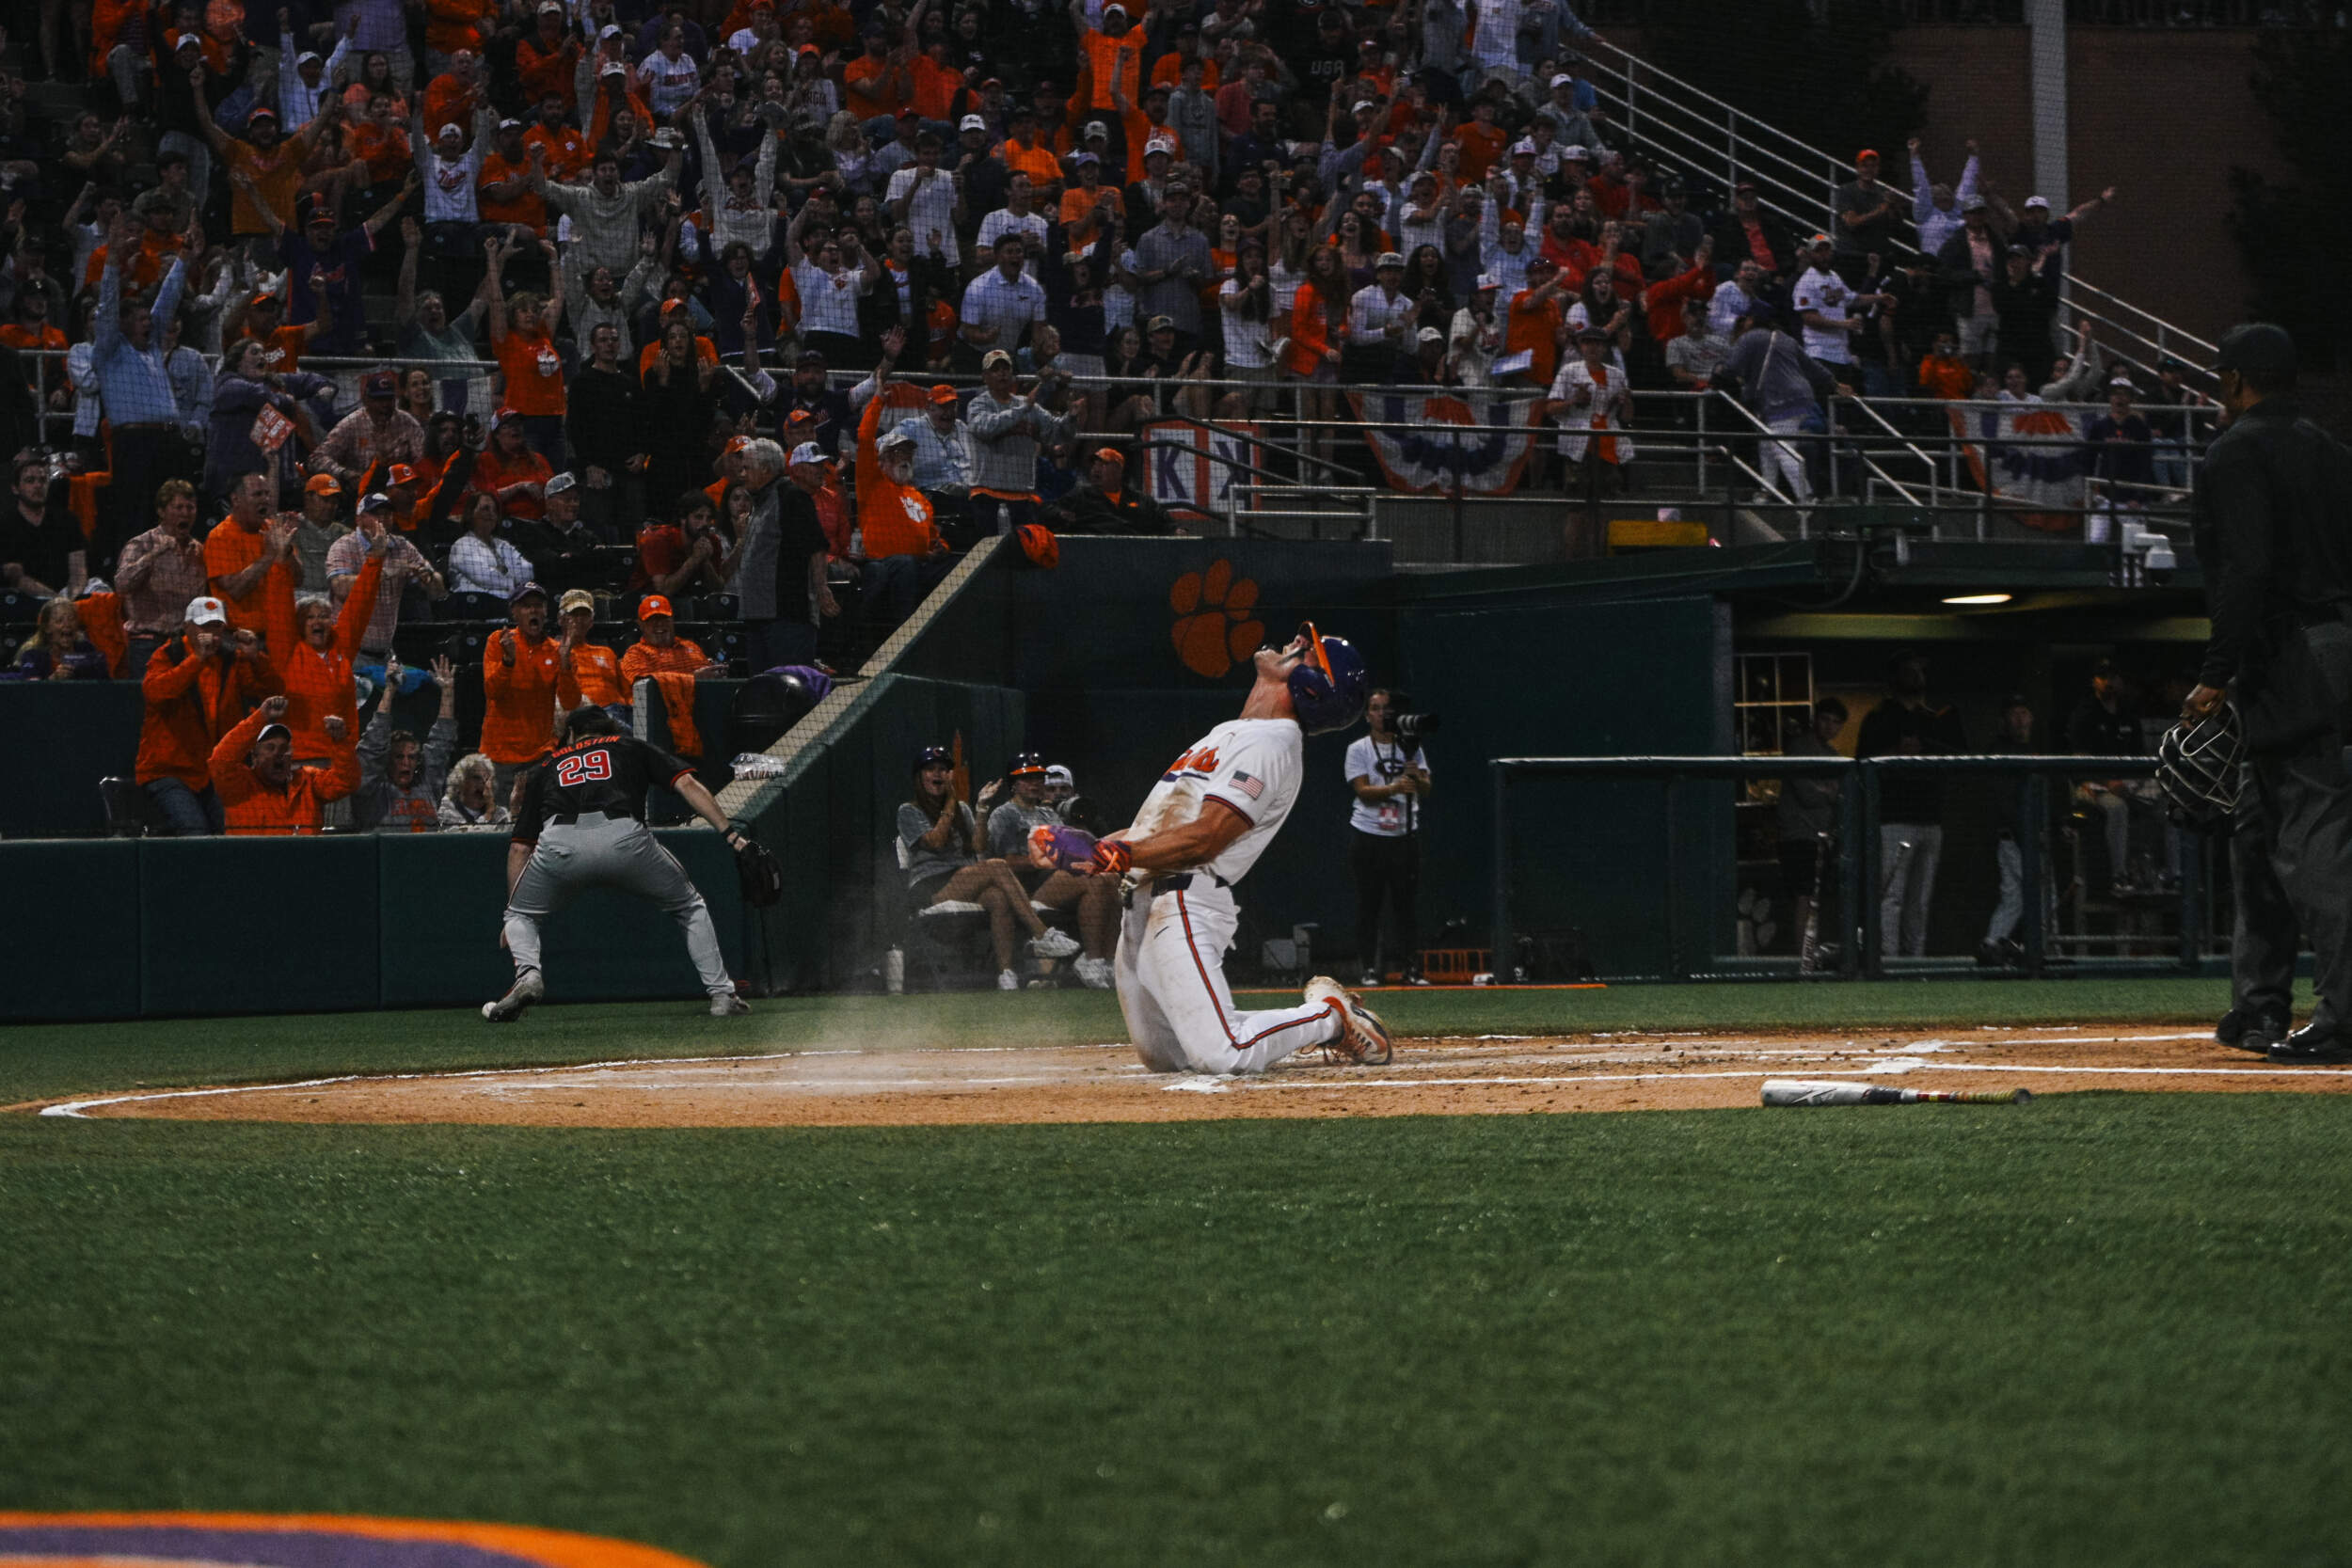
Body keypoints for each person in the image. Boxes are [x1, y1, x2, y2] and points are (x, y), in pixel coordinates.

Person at [1028, 626, 1392, 1074]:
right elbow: (1157, 828)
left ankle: (1330, 1018)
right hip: (1143, 901)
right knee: (1168, 1057)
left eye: (1307, 653)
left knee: (1222, 1053)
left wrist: (1115, 855)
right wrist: (1089, 848)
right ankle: (1291, 1021)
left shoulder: (1271, 743)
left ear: (1313, 687)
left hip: (1184, 900)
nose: (1295, 643)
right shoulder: (1234, 732)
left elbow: (1206, 837)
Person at [2181, 323, 2352, 1064]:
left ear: (2234, 379)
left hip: (2291, 653)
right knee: (2257, 826)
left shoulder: (2235, 450)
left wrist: (2215, 671)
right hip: (2330, 644)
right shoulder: (2332, 450)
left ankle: (2346, 1017)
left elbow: (2246, 569)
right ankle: (2258, 1006)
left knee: (2316, 837)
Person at [484, 705, 755, 1022]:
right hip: (623, 836)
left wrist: (514, 913)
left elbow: (519, 847)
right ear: (609, 728)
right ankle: (721, 995)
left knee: (520, 916)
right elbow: (687, 785)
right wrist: (732, 835)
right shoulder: (629, 745)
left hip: (559, 841)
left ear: (571, 734)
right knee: (689, 905)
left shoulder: (547, 766)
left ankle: (528, 974)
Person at [899, 745, 1085, 990]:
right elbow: (936, 841)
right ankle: (1042, 934)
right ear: (919, 776)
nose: (938, 774)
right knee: (997, 866)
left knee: (998, 897)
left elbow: (978, 846)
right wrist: (951, 802)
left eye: (943, 769)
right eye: (931, 769)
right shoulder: (909, 811)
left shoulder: (962, 809)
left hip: (964, 879)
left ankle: (1006, 974)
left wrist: (981, 808)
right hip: (931, 885)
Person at [1855, 649, 1966, 960]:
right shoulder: (1880, 718)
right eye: (1910, 670)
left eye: (1921, 671)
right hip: (1894, 818)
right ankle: (1888, 960)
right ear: (1896, 677)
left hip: (1930, 817)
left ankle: (1914, 960)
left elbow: (1958, 755)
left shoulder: (1932, 719)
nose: (1918, 676)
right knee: (1891, 894)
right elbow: (1861, 764)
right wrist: (1896, 751)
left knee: (1920, 898)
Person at [985, 752, 1119, 989]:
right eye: (1028, 778)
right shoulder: (1004, 814)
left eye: (1039, 778)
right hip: (1026, 891)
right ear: (1014, 784)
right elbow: (1005, 862)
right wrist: (1054, 860)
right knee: (1094, 878)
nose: (1035, 783)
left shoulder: (1049, 814)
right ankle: (1093, 961)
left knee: (1111, 878)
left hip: (1058, 882)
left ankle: (1107, 962)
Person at [1346, 689, 1433, 988]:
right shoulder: (1359, 749)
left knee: (1405, 906)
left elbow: (1426, 787)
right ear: (1367, 715)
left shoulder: (1409, 747)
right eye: (1375, 708)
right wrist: (1395, 788)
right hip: (1369, 834)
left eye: (1386, 708)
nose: (1382, 713)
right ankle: (1369, 968)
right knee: (1369, 905)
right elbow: (1362, 790)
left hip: (1404, 834)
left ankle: (1410, 968)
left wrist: (1416, 777)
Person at [739, 442, 839, 670]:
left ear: (765, 469)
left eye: (747, 468)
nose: (742, 474)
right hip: (757, 617)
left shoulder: (791, 496)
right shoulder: (760, 501)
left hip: (787, 617)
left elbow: (816, 545)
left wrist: (821, 588)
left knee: (788, 684)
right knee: (762, 685)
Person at [481, 581, 582, 800]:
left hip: (540, 755)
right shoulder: (499, 641)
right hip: (499, 755)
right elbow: (492, 692)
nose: (534, 610)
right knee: (501, 817)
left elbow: (571, 702)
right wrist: (508, 662)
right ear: (514, 612)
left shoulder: (559, 650)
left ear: (546, 611)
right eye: (527, 606)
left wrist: (565, 662)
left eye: (538, 605)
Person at [210, 694, 361, 835]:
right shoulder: (239, 785)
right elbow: (220, 760)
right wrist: (260, 717)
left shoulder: (307, 782)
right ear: (254, 756)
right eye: (270, 748)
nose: (278, 753)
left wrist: (340, 742)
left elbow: (346, 781)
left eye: (284, 748)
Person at [2065, 658, 2153, 895]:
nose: (2109, 682)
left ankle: (2172, 875)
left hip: (2127, 783)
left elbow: (2141, 758)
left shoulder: (2128, 715)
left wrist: (2135, 783)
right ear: (2094, 682)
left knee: (2168, 804)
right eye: (2103, 677)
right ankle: (2119, 875)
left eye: (2113, 677)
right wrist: (2108, 782)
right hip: (2091, 784)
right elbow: (2080, 762)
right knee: (2117, 808)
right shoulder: (2084, 714)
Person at [1777, 697, 1847, 974]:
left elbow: (1840, 796)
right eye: (1825, 719)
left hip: (1822, 836)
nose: (1829, 726)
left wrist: (1828, 792)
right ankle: (1803, 960)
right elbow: (1807, 794)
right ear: (1815, 719)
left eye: (1836, 722)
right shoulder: (1799, 748)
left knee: (1816, 899)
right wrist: (1828, 791)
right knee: (1804, 896)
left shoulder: (1834, 756)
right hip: (1798, 835)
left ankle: (1811, 956)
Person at [1979, 693, 2048, 968]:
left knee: (2015, 898)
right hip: (2015, 837)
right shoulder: (1999, 750)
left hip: (2028, 836)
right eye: (2014, 713)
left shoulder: (2034, 749)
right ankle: (2039, 951)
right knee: (2040, 894)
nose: (2020, 719)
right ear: (2004, 720)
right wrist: (2028, 835)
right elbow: (2005, 802)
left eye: (2024, 712)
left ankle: (1992, 944)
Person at [355, 654, 460, 832]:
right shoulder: (372, 790)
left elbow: (442, 741)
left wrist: (447, 692)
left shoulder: (427, 784)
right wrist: (389, 689)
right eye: (399, 757)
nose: (406, 762)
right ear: (387, 760)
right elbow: (373, 743)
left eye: (411, 757)